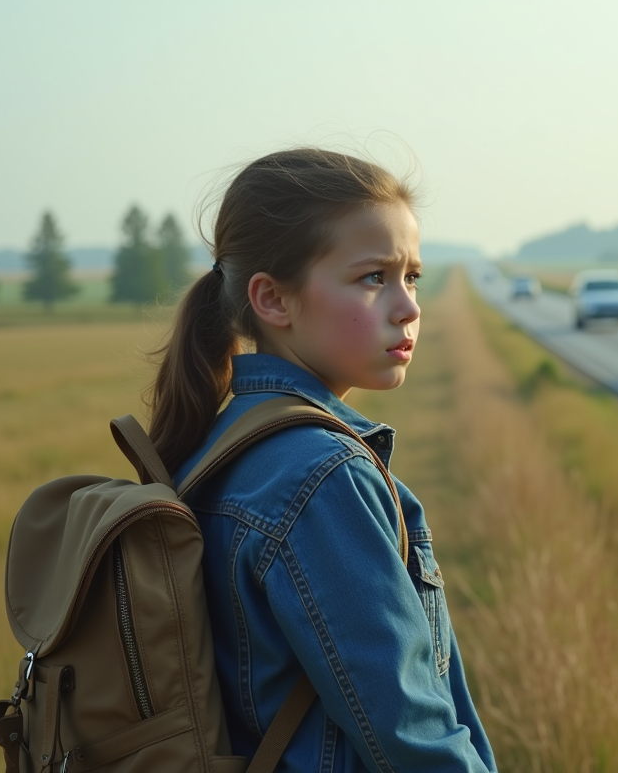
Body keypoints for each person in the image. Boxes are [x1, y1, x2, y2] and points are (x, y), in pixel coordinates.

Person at [147, 148, 497, 772]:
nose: (408, 306)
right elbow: (411, 734)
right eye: (372, 278)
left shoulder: (219, 443)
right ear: (273, 300)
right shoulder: (321, 477)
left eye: (411, 276)